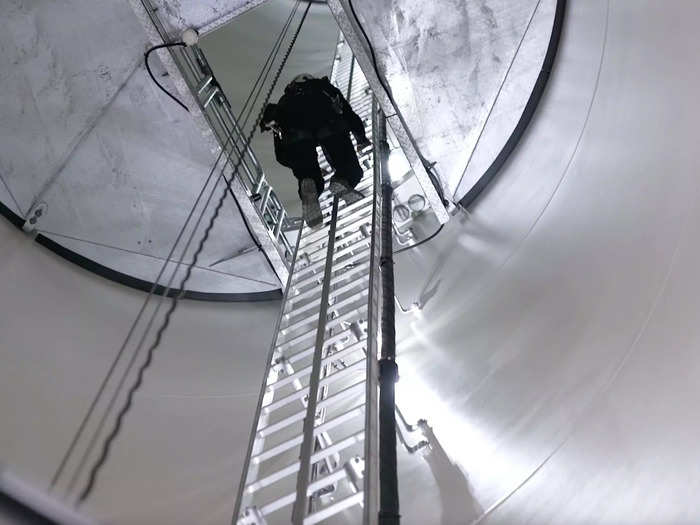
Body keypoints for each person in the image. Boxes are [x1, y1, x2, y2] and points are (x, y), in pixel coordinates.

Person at [260, 73, 372, 227]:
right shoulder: (324, 88)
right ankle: (343, 179)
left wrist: (298, 165)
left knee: (308, 174)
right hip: (328, 125)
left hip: (296, 135)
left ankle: (309, 182)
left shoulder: (284, 102)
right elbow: (348, 113)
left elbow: (281, 154)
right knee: (349, 167)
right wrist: (361, 138)